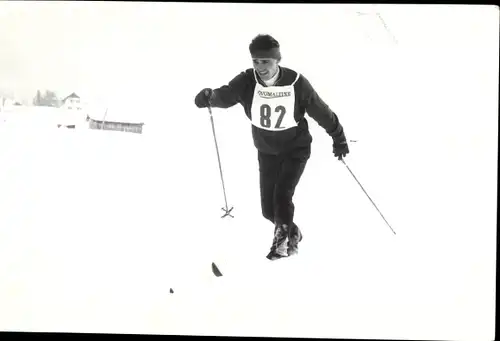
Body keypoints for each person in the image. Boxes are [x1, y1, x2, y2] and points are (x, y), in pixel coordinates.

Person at [194, 34, 349, 260]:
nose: (260, 67)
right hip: (266, 151)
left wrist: (338, 137)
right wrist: (210, 97)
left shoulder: (296, 83)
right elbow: (225, 95)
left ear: (277, 60)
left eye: (265, 61)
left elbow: (320, 111)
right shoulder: (247, 81)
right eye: (255, 61)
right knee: (268, 210)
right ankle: (292, 232)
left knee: (282, 196)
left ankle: (282, 243)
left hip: (295, 148)